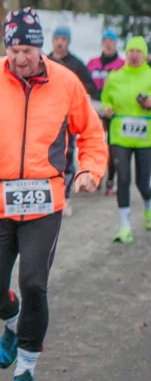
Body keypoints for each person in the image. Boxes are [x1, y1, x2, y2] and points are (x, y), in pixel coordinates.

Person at [0, 7, 107, 381]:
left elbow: (91, 134)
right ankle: (15, 324)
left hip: (44, 203)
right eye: (14, 50)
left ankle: (26, 372)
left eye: (27, 51)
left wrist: (90, 170)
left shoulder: (66, 83)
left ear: (40, 48)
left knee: (34, 284)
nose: (20, 58)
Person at [98, 36, 151, 243]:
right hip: (120, 136)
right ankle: (124, 226)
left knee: (142, 182)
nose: (134, 55)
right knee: (123, 179)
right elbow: (105, 98)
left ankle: (148, 208)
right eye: (131, 51)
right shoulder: (115, 76)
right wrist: (107, 108)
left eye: (138, 51)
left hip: (145, 139)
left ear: (145, 55)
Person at [47, 25, 102, 202]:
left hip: (68, 118)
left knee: (66, 156)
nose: (59, 43)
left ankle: (65, 196)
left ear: (68, 42)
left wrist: (76, 94)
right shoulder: (44, 61)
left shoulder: (76, 64)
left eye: (63, 39)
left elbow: (90, 87)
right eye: (57, 39)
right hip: (46, 117)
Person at [88, 28, 126, 195]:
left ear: (115, 43)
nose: (108, 43)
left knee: (112, 147)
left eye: (111, 40)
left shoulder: (122, 64)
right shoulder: (93, 63)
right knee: (95, 144)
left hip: (114, 109)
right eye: (105, 40)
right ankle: (96, 177)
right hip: (95, 106)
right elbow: (85, 82)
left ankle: (110, 181)